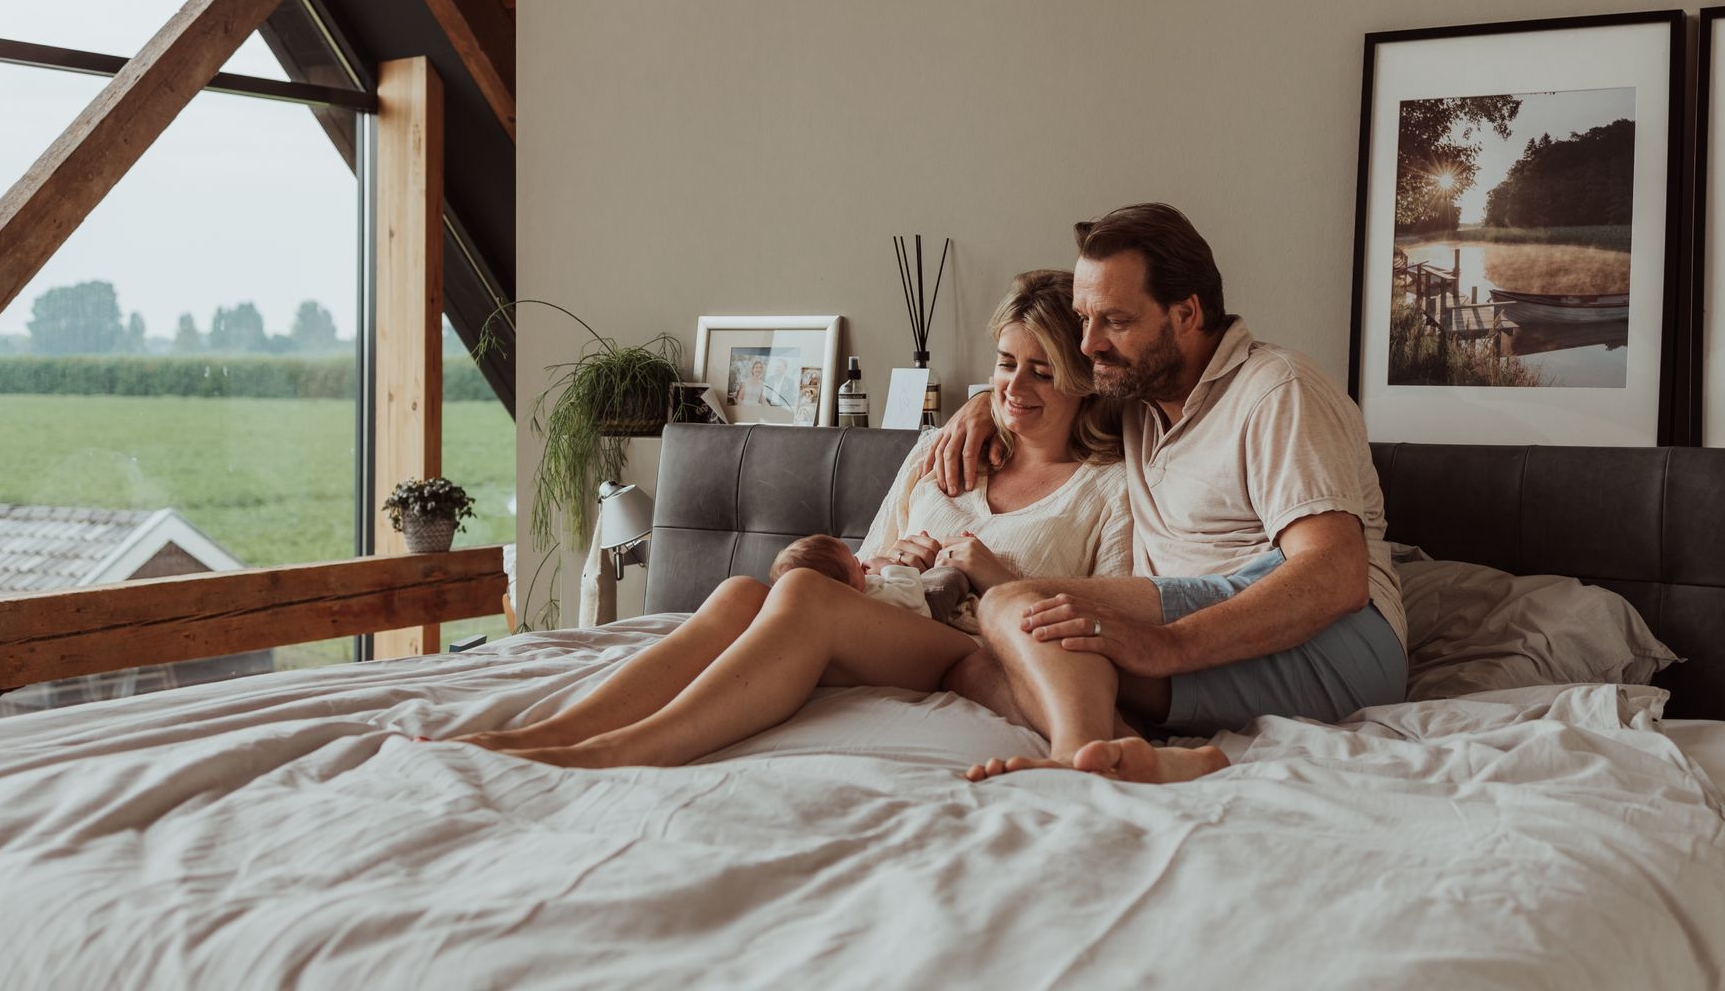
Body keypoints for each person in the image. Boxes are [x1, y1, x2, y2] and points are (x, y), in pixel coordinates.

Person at [440, 270, 1130, 769]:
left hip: (968, 647)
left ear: (1083, 380)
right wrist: (898, 559)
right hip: (891, 613)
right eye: (1006, 364)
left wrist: (993, 574)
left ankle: (623, 750)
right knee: (742, 592)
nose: (1014, 386)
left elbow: (1114, 620)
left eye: (1042, 371)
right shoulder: (943, 448)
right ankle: (552, 732)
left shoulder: (1106, 488)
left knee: (800, 593)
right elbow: (869, 557)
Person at [926, 204, 1408, 785]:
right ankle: (1132, 755)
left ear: (1186, 314)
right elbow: (1037, 381)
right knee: (974, 666)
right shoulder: (1133, 390)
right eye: (1083, 319)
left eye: (1114, 321)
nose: (1088, 344)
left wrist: (1166, 646)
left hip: (1331, 643)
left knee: (1015, 604)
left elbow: (1336, 575)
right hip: (1202, 628)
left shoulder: (1278, 390)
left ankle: (1075, 759)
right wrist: (985, 405)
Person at [767, 533, 973, 626]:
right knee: (947, 578)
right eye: (854, 564)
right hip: (925, 616)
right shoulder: (874, 601)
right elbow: (912, 596)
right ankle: (961, 569)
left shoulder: (844, 603)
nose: (859, 559)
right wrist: (888, 567)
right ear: (848, 589)